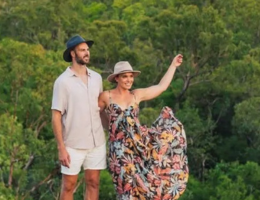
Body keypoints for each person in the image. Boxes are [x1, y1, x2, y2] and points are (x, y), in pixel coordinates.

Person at [98, 56, 189, 200]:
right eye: (124, 77)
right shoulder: (106, 96)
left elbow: (161, 87)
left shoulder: (136, 95)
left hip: (139, 146)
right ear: (117, 78)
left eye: (130, 76)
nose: (129, 80)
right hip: (119, 150)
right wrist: (110, 127)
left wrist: (173, 65)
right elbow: (95, 114)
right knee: (125, 187)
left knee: (144, 187)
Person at [51, 35, 106, 200]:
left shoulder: (97, 78)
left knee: (93, 183)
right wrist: (61, 148)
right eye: (82, 50)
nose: (87, 53)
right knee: (68, 186)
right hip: (72, 144)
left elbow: (101, 109)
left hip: (97, 142)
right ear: (73, 54)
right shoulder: (62, 82)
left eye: (87, 50)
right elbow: (55, 116)